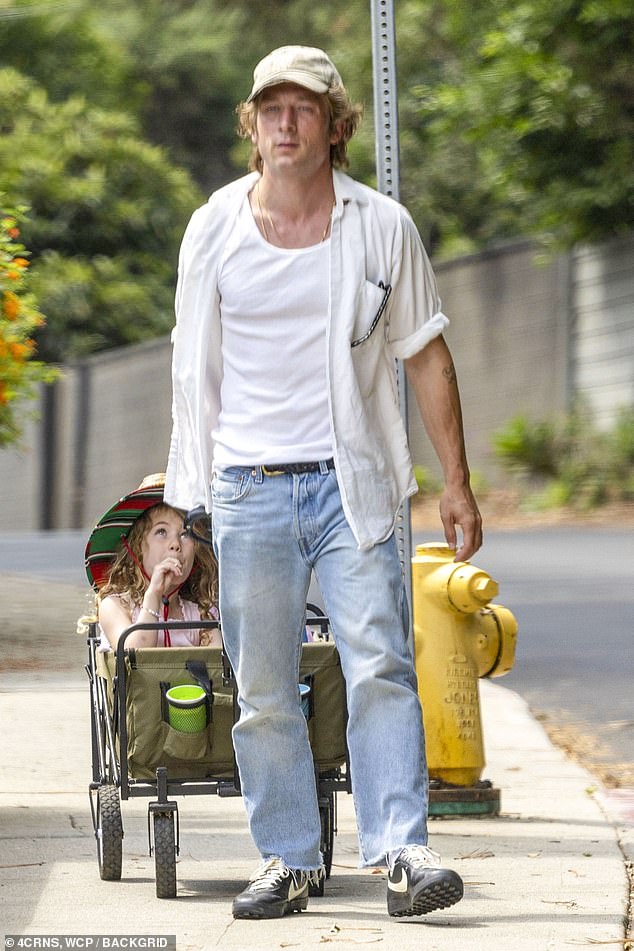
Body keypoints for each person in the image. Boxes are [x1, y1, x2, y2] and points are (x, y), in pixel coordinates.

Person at [164, 46, 482, 920]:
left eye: (305, 108)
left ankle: (403, 853)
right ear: (252, 124)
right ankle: (289, 857)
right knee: (263, 683)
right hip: (247, 489)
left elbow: (426, 355)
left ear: (337, 127)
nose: (286, 123)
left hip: (355, 484)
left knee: (381, 664)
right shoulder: (213, 228)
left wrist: (455, 482)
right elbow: (193, 373)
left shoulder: (382, 226)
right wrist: (189, 500)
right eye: (271, 108)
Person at [84, 473, 221, 651]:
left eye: (185, 534)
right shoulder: (116, 606)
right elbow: (134, 655)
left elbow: (218, 671)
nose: (175, 545)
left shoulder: (203, 615)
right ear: (137, 547)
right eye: (162, 532)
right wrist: (153, 595)